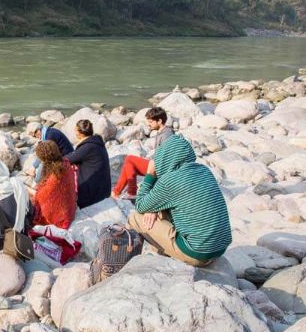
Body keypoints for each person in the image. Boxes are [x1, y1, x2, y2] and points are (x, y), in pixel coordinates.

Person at [127, 134, 232, 267]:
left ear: (165, 157)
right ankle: (163, 253)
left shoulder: (170, 181)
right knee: (158, 211)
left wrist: (149, 175)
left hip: (197, 253)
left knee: (135, 218)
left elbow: (140, 205)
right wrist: (153, 208)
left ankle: (129, 265)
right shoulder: (204, 170)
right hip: (219, 248)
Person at [112, 107, 173, 199]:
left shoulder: (166, 135)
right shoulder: (163, 132)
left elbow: (165, 158)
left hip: (160, 170)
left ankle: (131, 192)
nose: (148, 124)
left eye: (151, 122)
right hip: (157, 165)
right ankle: (117, 192)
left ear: (159, 121)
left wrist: (151, 163)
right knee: (129, 165)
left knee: (129, 159)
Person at [65, 119, 111, 208]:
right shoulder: (95, 142)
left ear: (80, 132)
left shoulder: (88, 147)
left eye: (75, 130)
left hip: (95, 194)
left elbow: (67, 160)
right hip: (103, 189)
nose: (74, 132)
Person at [31, 141, 77, 229]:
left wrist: (29, 191)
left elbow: (41, 197)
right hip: (70, 207)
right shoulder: (66, 163)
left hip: (62, 216)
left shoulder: (55, 176)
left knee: (32, 206)